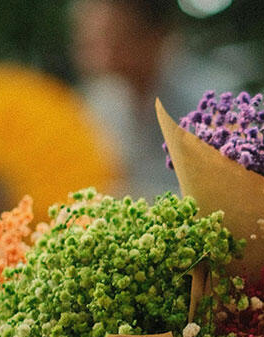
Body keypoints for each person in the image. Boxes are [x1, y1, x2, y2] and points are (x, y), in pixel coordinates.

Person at [69, 0, 240, 199]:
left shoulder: (211, 104)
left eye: (111, 37)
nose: (92, 48)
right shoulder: (99, 101)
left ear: (155, 34)